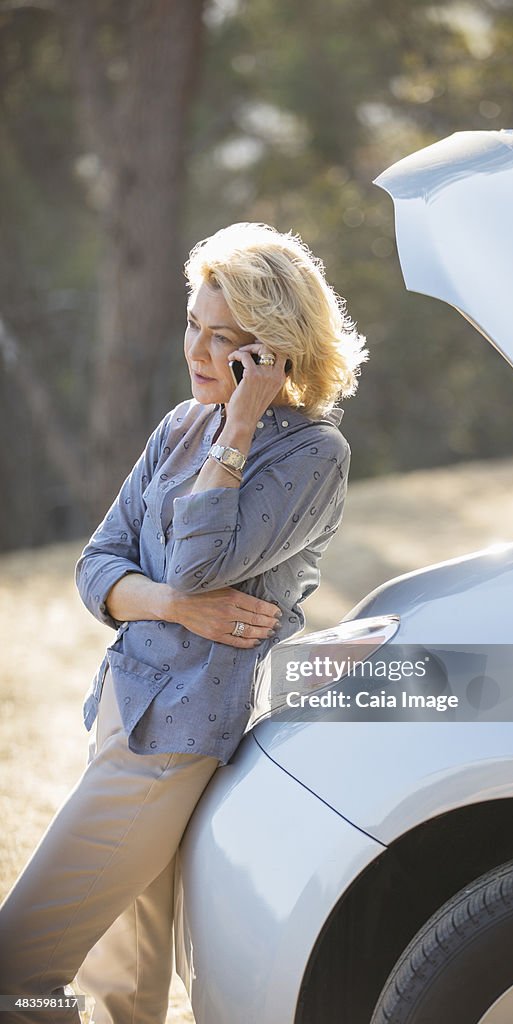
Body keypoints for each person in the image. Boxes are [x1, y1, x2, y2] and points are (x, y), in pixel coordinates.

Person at [0, 222, 367, 1023]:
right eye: (192, 327)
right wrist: (166, 603)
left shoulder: (312, 455)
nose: (197, 352)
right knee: (125, 984)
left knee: (16, 967)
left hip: (179, 739)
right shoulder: (177, 425)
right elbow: (97, 565)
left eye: (222, 339)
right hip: (124, 712)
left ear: (272, 353)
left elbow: (202, 564)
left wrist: (237, 428)